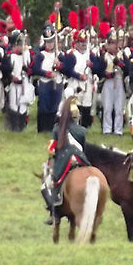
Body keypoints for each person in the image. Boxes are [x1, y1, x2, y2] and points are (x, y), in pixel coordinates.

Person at [44, 96, 91, 224]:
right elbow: (83, 148)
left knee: (48, 184)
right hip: (80, 160)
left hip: (64, 161)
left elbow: (51, 149)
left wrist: (51, 154)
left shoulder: (57, 129)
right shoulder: (82, 131)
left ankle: (53, 212)